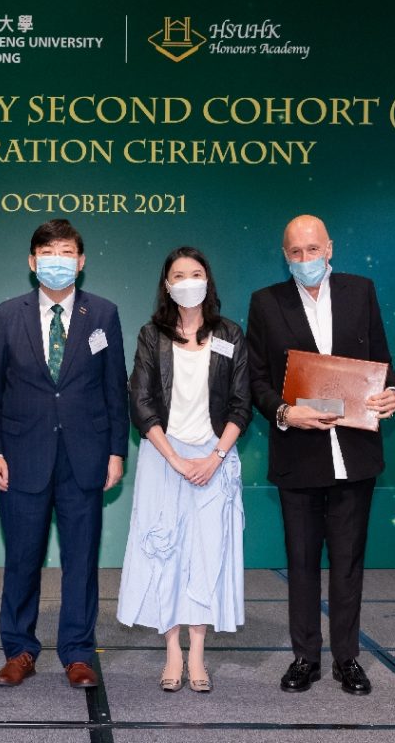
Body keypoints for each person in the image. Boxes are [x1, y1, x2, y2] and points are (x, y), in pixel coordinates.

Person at [246, 214, 395, 696]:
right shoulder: (266, 303)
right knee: (301, 561)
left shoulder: (361, 291)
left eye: (313, 250)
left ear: (330, 248)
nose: (306, 260)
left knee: (349, 562)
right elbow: (256, 380)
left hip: (354, 453)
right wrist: (285, 413)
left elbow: (382, 360)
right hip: (299, 453)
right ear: (285, 255)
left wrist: (393, 392)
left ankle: (347, 659)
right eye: (296, 252)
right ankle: (305, 658)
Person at [0, 218, 129, 689]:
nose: (57, 261)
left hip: (84, 457)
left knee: (81, 561)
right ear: (31, 262)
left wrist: (115, 452)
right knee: (22, 559)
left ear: (81, 261)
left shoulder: (103, 315)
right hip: (22, 456)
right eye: (48, 253)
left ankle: (78, 652)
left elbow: (115, 390)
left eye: (67, 252)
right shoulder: (7, 315)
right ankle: (19, 650)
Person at [118, 247, 251, 693]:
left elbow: (241, 403)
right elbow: (141, 402)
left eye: (197, 273)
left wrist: (213, 458)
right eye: (179, 274)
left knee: (207, 555)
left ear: (208, 281)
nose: (189, 281)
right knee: (165, 555)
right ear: (167, 285)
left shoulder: (230, 333)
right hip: (163, 458)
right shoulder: (150, 336)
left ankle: (198, 655)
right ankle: (171, 651)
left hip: (216, 458)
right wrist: (174, 459)